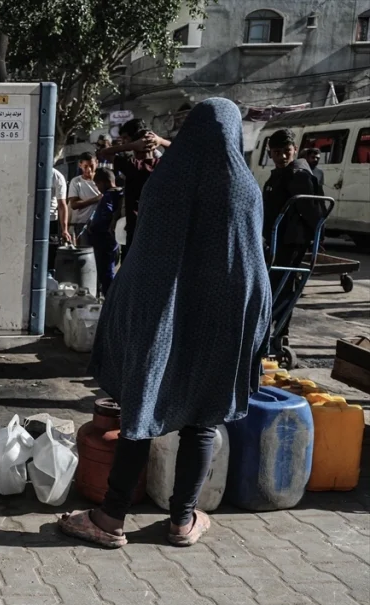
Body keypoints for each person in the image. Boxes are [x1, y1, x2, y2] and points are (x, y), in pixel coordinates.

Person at [59, 98, 271, 549]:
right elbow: (253, 269)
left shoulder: (167, 181)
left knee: (141, 407)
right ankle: (181, 521)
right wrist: (256, 327)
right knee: (203, 417)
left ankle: (110, 518)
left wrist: (124, 314)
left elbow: (144, 258)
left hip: (161, 314)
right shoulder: (245, 188)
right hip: (221, 320)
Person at [263, 130, 324, 342]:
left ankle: (279, 333)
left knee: (281, 285)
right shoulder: (279, 175)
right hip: (275, 240)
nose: (282, 156)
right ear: (270, 153)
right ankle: (274, 330)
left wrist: (318, 238)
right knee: (275, 284)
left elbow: (312, 211)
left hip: (290, 241)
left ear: (295, 150)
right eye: (276, 152)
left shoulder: (298, 175)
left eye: (286, 151)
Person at [98, 119, 171, 260]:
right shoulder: (162, 164)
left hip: (136, 226)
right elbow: (179, 151)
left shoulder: (132, 165)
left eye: (126, 139)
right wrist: (160, 140)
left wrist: (133, 145)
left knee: (132, 264)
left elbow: (104, 152)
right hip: (159, 226)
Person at [84, 168, 123, 297]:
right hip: (110, 239)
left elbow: (105, 215)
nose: (98, 188)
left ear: (104, 182)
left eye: (97, 184)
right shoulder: (119, 194)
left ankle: (109, 297)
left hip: (103, 240)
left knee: (106, 271)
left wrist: (94, 226)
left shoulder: (109, 196)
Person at [67, 152, 103, 245]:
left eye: (91, 166)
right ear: (80, 165)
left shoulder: (103, 179)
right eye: (85, 166)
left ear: (97, 163)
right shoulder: (76, 182)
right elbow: (74, 204)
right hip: (83, 224)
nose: (89, 169)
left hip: (101, 223)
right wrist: (96, 199)